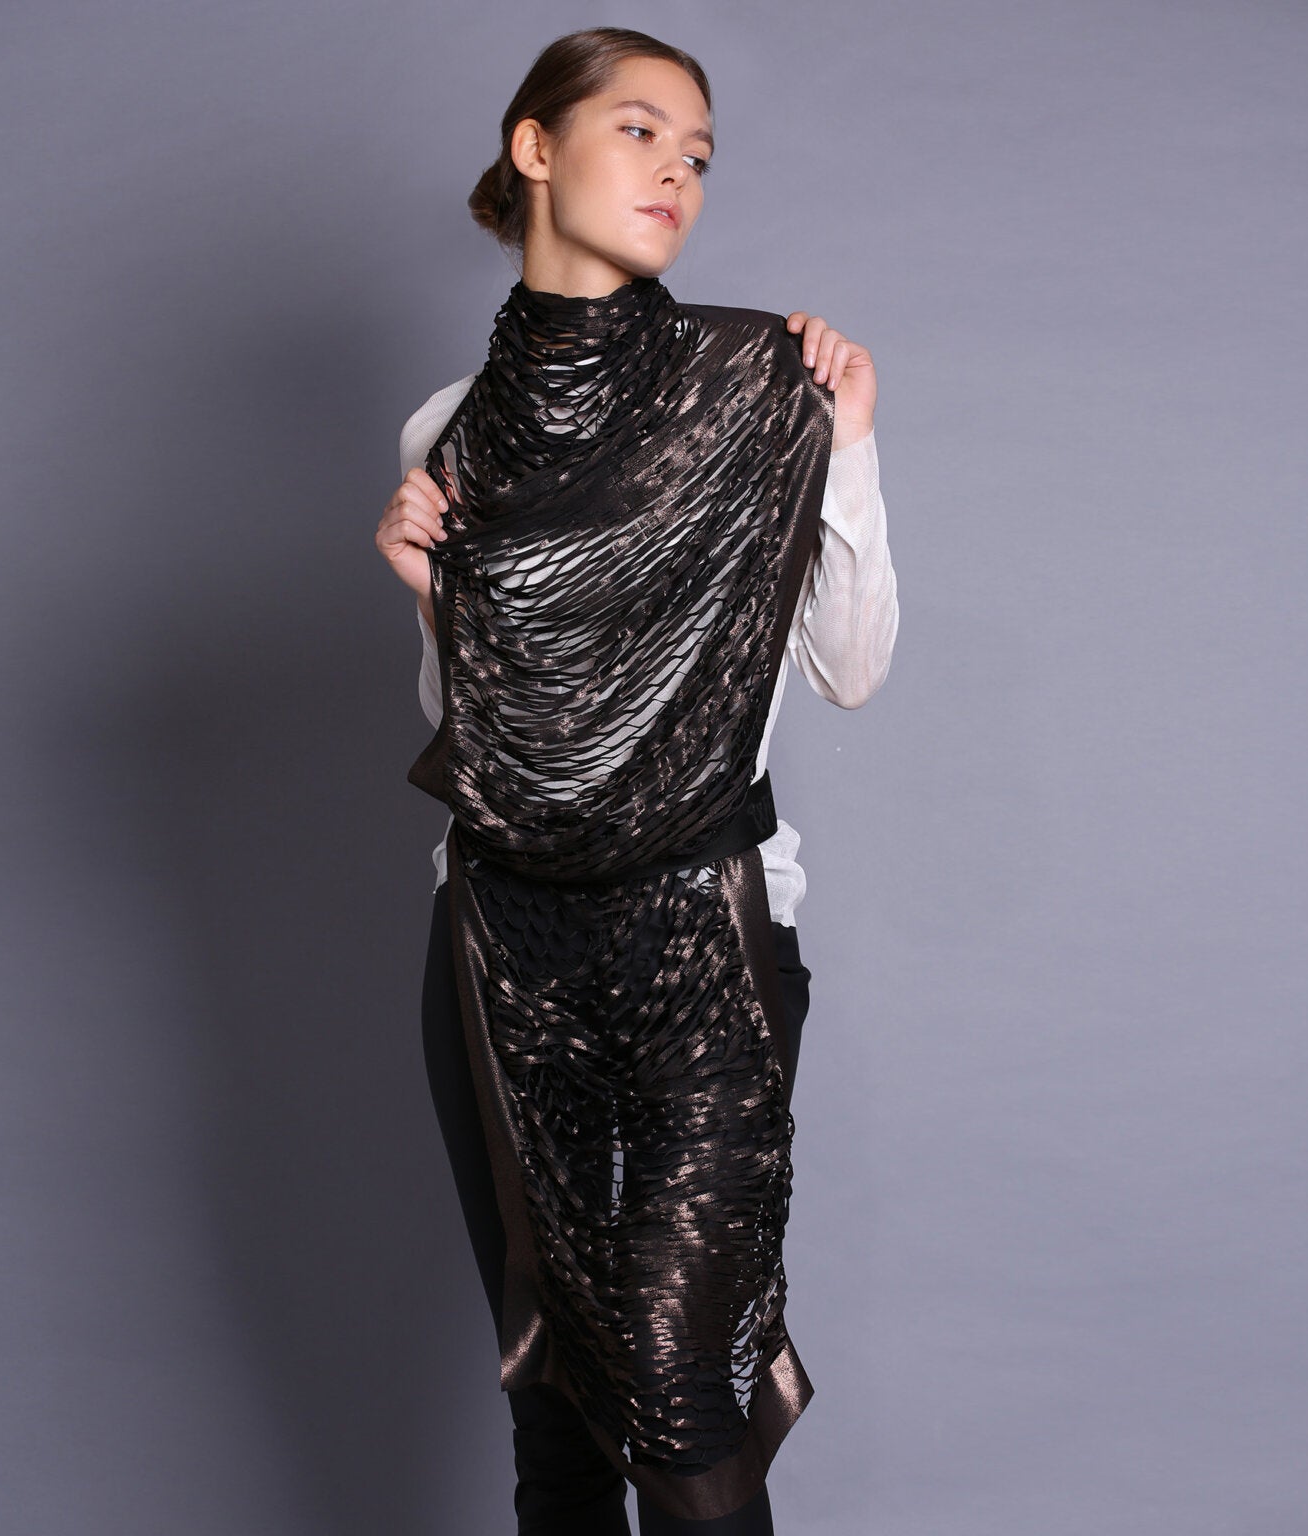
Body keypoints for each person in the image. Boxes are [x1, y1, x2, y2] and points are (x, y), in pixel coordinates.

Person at [374, 27, 898, 1536]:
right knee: (551, 1409)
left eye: (701, 153)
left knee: (684, 1411)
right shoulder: (447, 433)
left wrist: (851, 451)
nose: (679, 172)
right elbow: (496, 742)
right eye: (642, 130)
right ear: (536, 147)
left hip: (703, 931)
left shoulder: (765, 384)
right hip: (498, 942)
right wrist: (434, 599)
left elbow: (851, 666)